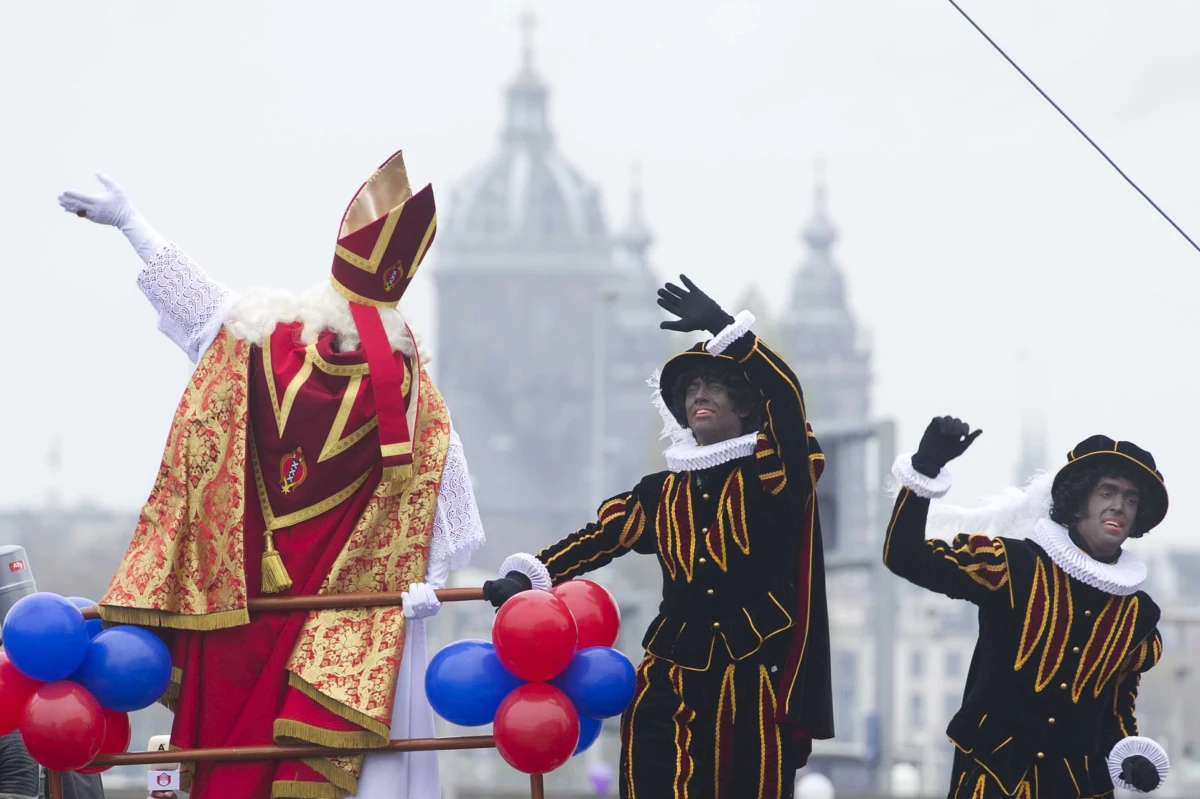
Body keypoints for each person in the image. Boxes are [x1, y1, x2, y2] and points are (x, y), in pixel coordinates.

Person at [58, 152, 486, 799]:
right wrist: (131, 224)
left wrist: (133, 225)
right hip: (306, 619)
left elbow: (204, 308)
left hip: (246, 608)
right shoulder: (412, 401)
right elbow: (443, 505)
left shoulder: (267, 340)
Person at [482, 276, 834, 798]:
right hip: (673, 672)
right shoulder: (661, 491)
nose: (700, 395)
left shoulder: (773, 476)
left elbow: (786, 395)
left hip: (753, 673)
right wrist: (529, 574)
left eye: (715, 386)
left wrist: (722, 326)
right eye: (692, 389)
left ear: (743, 405)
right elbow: (600, 539)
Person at [884, 416, 1170, 797]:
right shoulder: (1012, 565)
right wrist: (924, 472)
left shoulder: (1137, 616)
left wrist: (1131, 757)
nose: (1118, 506)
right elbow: (906, 558)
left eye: (1130, 499)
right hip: (993, 780)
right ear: (1079, 499)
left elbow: (1115, 713)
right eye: (1107, 492)